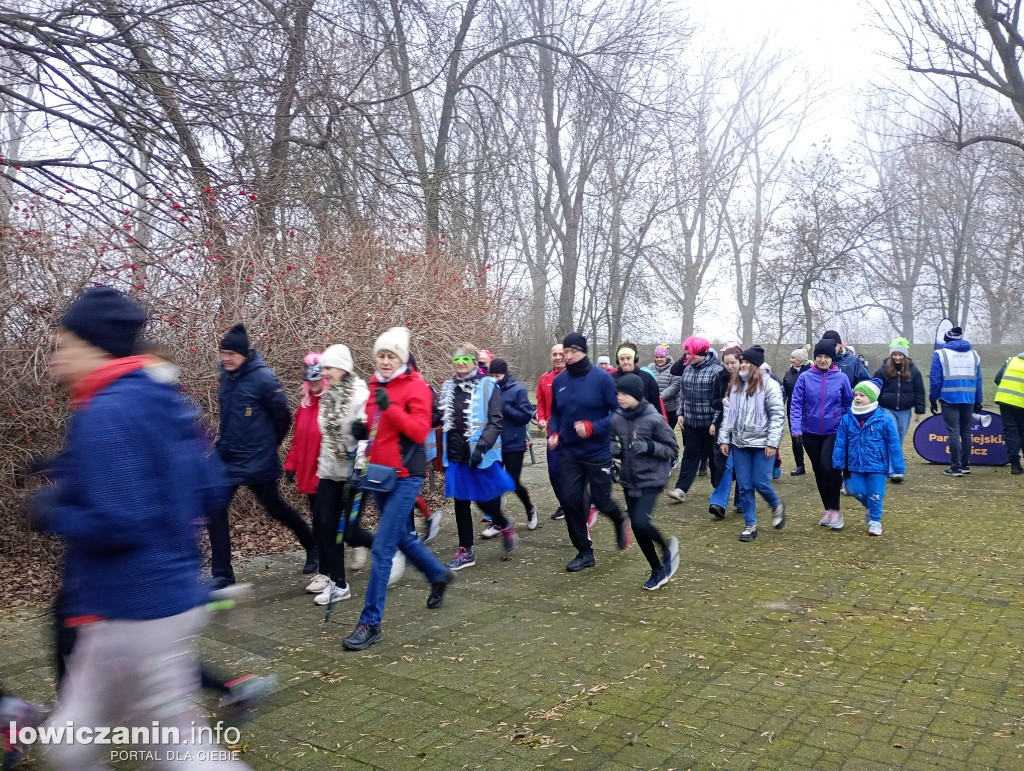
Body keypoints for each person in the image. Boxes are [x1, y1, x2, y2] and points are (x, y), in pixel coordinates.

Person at [29, 286, 240, 768]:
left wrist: (51, 512)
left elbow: (121, 519)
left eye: (64, 345)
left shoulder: (102, 412)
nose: (55, 359)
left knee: (156, 749)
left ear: (94, 345)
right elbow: (207, 485)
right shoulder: (165, 399)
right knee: (81, 739)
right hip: (170, 596)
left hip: (130, 605)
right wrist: (69, 471)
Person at [342, 327, 454, 651]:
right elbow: (377, 431)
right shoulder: (376, 384)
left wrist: (389, 407)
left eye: (391, 355)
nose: (386, 360)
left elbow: (420, 431)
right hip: (378, 474)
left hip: (407, 475)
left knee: (382, 548)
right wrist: (362, 430)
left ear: (402, 358)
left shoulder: (415, 387)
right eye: (381, 355)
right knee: (402, 536)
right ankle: (438, 574)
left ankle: (370, 622)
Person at [210, 323, 317, 588]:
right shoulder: (225, 376)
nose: (225, 358)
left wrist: (268, 446)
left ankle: (312, 545)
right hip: (229, 457)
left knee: (275, 508)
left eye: (231, 354)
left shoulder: (264, 379)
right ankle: (223, 574)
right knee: (214, 509)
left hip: (258, 458)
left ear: (244, 354)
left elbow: (283, 417)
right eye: (223, 352)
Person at [548, 332, 631, 572]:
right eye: (565, 352)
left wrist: (593, 426)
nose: (568, 357)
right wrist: (554, 431)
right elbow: (556, 412)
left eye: (572, 352)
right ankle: (585, 552)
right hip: (569, 452)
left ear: (584, 352)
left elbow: (618, 413)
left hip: (597, 452)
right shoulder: (561, 380)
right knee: (570, 501)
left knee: (603, 502)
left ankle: (618, 518)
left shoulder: (602, 379)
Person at [438, 344, 517, 570]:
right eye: (456, 359)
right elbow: (438, 415)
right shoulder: (447, 387)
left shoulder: (488, 385)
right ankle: (466, 551)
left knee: (484, 501)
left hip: (480, 454)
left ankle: (503, 523)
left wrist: (482, 447)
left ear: (474, 361)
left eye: (465, 359)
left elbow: (495, 421)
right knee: (460, 502)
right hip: (455, 454)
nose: (460, 363)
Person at [309, 344, 369, 606]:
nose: (324, 373)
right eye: (323, 368)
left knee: (349, 533)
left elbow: (369, 434)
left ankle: (389, 548)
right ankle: (338, 584)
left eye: (328, 367)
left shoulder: (360, 394)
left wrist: (362, 436)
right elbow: (326, 437)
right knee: (325, 526)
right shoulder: (328, 395)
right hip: (329, 471)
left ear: (343, 368)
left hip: (354, 471)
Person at [610, 374, 680, 590]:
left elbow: (672, 449)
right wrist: (614, 450)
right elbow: (610, 440)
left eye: (625, 394)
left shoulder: (654, 418)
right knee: (639, 529)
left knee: (640, 522)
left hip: (652, 478)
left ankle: (667, 548)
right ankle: (658, 569)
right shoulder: (617, 417)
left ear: (637, 395)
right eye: (618, 393)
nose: (620, 398)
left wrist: (650, 447)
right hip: (630, 479)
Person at [718, 346, 786, 542]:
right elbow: (728, 415)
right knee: (745, 486)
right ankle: (750, 524)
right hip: (739, 444)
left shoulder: (769, 385)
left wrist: (772, 443)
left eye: (748, 362)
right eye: (743, 361)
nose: (744, 365)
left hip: (762, 444)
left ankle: (776, 505)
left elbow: (777, 415)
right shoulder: (736, 385)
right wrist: (725, 438)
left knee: (760, 482)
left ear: (756, 365)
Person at [790, 339, 854, 530]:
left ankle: (836, 510)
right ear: (815, 358)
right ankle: (828, 509)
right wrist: (796, 430)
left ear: (832, 359)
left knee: (829, 468)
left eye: (826, 356)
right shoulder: (805, 378)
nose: (823, 360)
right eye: (819, 356)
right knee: (818, 470)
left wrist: (846, 425)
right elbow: (796, 405)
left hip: (834, 431)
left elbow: (848, 404)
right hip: (810, 432)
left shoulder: (841, 379)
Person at [831, 378, 905, 537]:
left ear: (871, 398)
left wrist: (898, 466)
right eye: (856, 395)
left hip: (877, 465)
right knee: (854, 489)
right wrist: (837, 461)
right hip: (854, 464)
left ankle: (875, 521)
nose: (857, 398)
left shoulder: (884, 419)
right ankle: (871, 508)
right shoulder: (847, 419)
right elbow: (841, 442)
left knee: (876, 493)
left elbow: (893, 443)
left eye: (862, 395)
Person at [283, 353, 329, 592]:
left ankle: (328, 572)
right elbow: (299, 441)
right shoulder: (306, 406)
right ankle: (327, 570)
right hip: (310, 474)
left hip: (329, 473)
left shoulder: (331, 404)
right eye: (310, 380)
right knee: (320, 522)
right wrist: (291, 465)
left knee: (325, 523)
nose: (314, 384)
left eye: (317, 379)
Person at [667, 336, 723, 502]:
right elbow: (683, 395)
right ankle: (681, 489)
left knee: (714, 458)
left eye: (688, 352)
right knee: (690, 455)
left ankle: (719, 491)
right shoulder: (688, 369)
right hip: (691, 422)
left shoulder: (716, 371)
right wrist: (680, 413)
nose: (686, 355)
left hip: (710, 425)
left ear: (698, 352)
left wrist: (715, 422)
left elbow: (720, 401)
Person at [489, 358, 539, 529]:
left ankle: (530, 508)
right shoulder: (488, 389)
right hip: (494, 444)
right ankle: (497, 521)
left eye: (499, 375)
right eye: (492, 375)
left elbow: (526, 416)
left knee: (512, 482)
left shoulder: (518, 390)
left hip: (513, 443)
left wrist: (506, 408)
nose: (496, 378)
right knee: (494, 482)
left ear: (506, 373)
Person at [929, 326, 983, 477]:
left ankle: (955, 467)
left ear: (947, 339)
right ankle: (965, 465)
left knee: (954, 432)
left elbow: (935, 380)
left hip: (949, 398)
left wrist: (933, 399)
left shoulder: (940, 354)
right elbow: (978, 380)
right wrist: (979, 400)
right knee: (966, 432)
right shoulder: (974, 355)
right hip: (969, 398)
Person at [873, 337, 925, 482]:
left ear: (905, 355)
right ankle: (893, 471)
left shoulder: (913, 371)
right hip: (887, 408)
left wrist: (919, 410)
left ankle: (894, 466)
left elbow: (919, 390)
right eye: (895, 354)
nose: (897, 357)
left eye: (900, 354)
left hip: (905, 410)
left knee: (900, 438)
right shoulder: (883, 370)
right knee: (892, 436)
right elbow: (875, 387)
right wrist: (874, 405)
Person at [708, 346, 742, 519]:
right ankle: (719, 503)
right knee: (726, 464)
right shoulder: (719, 378)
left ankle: (741, 500)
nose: (729, 367)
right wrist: (721, 401)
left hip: (745, 428)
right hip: (725, 426)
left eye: (733, 363)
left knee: (742, 465)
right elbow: (712, 402)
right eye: (726, 363)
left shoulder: (748, 378)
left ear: (740, 361)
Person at [536, 342, 567, 519]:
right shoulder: (545, 378)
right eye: (554, 354)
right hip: (552, 434)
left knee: (572, 470)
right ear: (551, 356)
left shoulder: (573, 376)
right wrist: (541, 418)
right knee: (554, 471)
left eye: (561, 354)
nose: (558, 357)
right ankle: (563, 503)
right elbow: (540, 402)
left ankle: (579, 502)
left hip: (572, 434)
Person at [611, 341, 665, 417]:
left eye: (628, 358)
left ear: (635, 359)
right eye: (622, 359)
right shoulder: (610, 379)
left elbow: (656, 406)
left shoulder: (648, 378)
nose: (625, 362)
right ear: (618, 360)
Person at [994, 349, 1024, 475]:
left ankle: (1015, 465)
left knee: (1011, 432)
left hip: (1005, 400)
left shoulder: (1011, 360)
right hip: (1021, 403)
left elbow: (997, 379)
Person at [783, 348, 811, 476]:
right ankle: (800, 466)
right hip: (792, 410)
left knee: (809, 439)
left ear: (801, 358)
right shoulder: (789, 374)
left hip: (809, 410)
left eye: (793, 357)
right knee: (796, 438)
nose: (791, 360)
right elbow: (784, 393)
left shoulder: (811, 372)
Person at [649, 344, 682, 429]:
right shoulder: (650, 367)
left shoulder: (674, 368)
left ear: (666, 357)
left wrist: (660, 397)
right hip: (653, 408)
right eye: (656, 357)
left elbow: (675, 386)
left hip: (670, 409)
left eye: (661, 357)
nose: (658, 359)